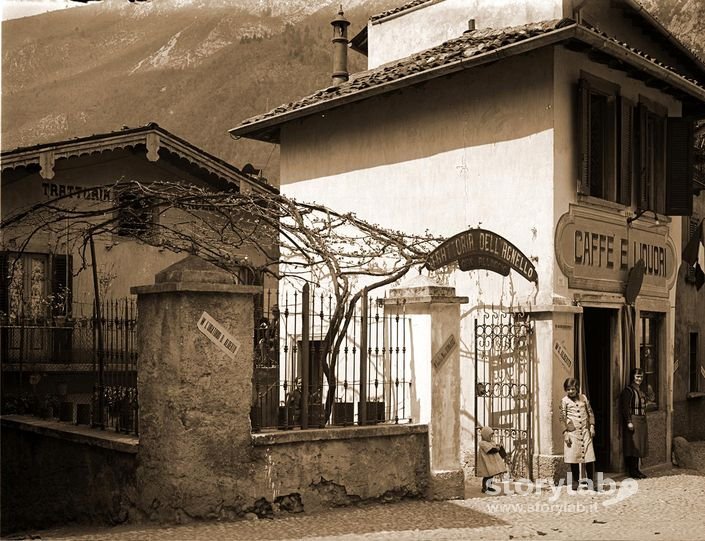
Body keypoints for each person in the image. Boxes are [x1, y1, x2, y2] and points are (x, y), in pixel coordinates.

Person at [559, 378, 596, 490]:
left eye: (573, 389)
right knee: (574, 457)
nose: (571, 391)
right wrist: (565, 432)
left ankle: (590, 481)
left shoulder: (583, 398)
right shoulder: (564, 401)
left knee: (589, 457)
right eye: (568, 389)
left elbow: (590, 412)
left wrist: (592, 426)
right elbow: (562, 417)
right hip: (573, 432)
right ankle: (575, 481)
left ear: (577, 389)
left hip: (584, 431)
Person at [620, 368, 648, 479]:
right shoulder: (628, 391)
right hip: (634, 420)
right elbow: (625, 408)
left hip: (641, 420)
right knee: (633, 447)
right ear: (633, 377)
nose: (639, 379)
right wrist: (629, 421)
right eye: (637, 377)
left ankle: (637, 469)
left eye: (641, 377)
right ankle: (632, 470)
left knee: (639, 446)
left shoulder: (641, 390)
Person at [477, 426, 508, 494]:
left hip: (491, 461)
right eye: (489, 435)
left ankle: (489, 486)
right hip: (485, 462)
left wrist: (498, 446)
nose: (491, 437)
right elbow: (489, 450)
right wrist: (497, 449)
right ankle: (484, 488)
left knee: (491, 474)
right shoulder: (482, 443)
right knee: (486, 475)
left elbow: (493, 447)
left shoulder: (491, 442)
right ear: (485, 435)